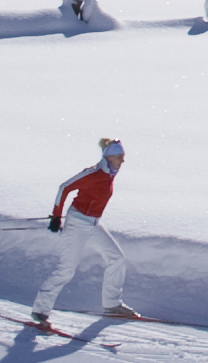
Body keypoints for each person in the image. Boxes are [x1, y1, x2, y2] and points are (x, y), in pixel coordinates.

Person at [30, 137, 133, 330]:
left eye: (123, 156)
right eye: (120, 156)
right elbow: (64, 187)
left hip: (93, 224)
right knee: (67, 269)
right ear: (109, 157)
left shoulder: (109, 174)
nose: (123, 160)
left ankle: (112, 305)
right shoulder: (93, 173)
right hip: (77, 224)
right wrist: (56, 216)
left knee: (117, 258)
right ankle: (40, 310)